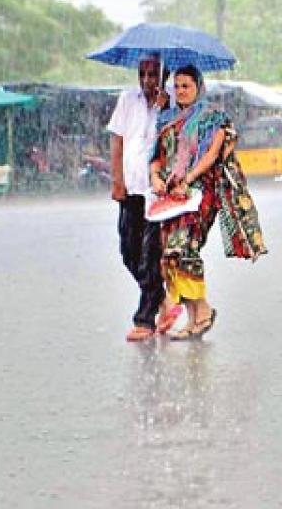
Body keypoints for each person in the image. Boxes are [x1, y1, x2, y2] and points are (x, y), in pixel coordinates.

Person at [149, 64, 267, 341]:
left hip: (201, 193)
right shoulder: (166, 120)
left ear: (198, 87)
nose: (180, 91)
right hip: (171, 196)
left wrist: (188, 178)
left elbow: (212, 154)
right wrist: (155, 176)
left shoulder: (212, 117)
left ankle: (202, 313)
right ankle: (197, 316)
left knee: (183, 249)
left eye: (186, 86)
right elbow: (157, 157)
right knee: (167, 256)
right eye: (176, 86)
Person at [107, 53, 170, 342]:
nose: (147, 81)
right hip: (130, 187)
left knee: (150, 254)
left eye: (153, 74)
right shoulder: (127, 99)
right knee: (128, 252)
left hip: (157, 189)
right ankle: (159, 295)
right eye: (142, 74)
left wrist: (165, 110)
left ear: (163, 75)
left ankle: (145, 318)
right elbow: (118, 140)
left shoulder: (171, 104)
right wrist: (117, 180)